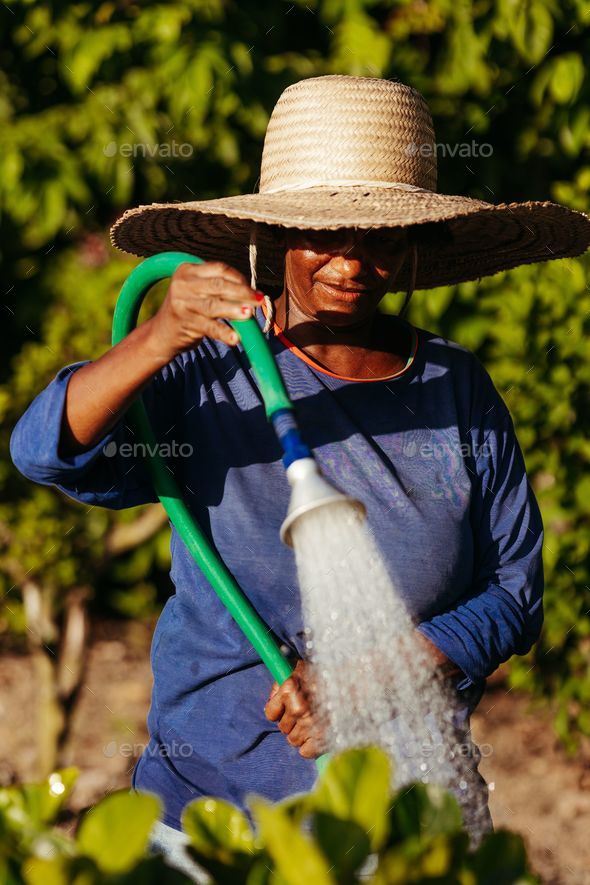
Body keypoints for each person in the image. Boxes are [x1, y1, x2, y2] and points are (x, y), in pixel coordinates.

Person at [10, 75, 590, 877]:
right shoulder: (211, 369)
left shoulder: (458, 388)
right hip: (206, 822)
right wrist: (157, 339)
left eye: (379, 238)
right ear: (275, 236)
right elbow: (45, 450)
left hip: (392, 821)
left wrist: (363, 683)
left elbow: (514, 595)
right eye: (322, 233)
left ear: (416, 247)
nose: (351, 262)